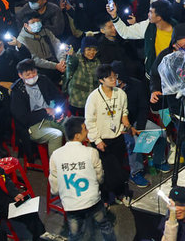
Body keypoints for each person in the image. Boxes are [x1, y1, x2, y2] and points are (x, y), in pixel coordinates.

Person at [48, 116, 117, 241]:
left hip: (71, 204)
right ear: (77, 136)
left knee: (75, 234)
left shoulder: (56, 155)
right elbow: (99, 177)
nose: (87, 131)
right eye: (85, 128)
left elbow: (54, 186)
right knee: (104, 225)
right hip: (93, 201)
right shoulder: (91, 152)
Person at [84, 64, 132, 206]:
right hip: (101, 140)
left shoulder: (121, 94)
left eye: (114, 76)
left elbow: (124, 111)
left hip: (117, 138)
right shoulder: (93, 98)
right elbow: (89, 121)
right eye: (109, 78)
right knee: (103, 171)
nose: (114, 80)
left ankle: (120, 194)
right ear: (101, 80)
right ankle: (105, 198)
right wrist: (97, 140)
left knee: (119, 168)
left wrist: (127, 125)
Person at [9, 59, 65, 155]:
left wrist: (58, 112)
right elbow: (22, 118)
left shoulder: (43, 80)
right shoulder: (17, 91)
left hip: (52, 118)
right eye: (28, 75)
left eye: (34, 72)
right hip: (33, 126)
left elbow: (59, 97)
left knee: (71, 126)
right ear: (20, 75)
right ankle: (55, 167)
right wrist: (45, 111)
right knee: (56, 135)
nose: (32, 76)